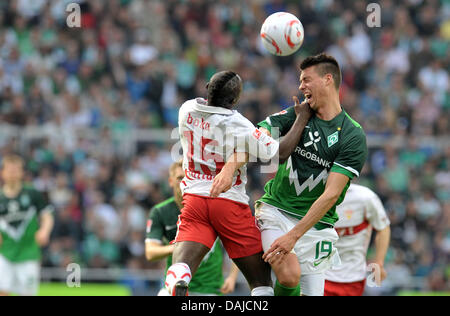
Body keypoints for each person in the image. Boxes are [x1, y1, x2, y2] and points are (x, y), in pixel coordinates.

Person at [164, 70, 312, 296]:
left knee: (183, 263)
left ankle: (177, 280)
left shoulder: (186, 110)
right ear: (235, 100)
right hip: (228, 203)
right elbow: (279, 153)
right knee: (261, 281)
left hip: (194, 200)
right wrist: (301, 118)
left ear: (207, 88)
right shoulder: (238, 124)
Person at [254, 53, 368, 296]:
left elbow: (331, 194)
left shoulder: (352, 135)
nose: (300, 86)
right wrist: (298, 121)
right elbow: (258, 135)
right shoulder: (296, 115)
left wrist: (294, 236)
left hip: (317, 226)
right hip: (277, 211)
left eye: (306, 80)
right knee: (288, 274)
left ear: (328, 80)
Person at [145, 160, 240, 296]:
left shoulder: (213, 207)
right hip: (174, 288)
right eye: (179, 178)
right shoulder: (161, 211)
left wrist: (232, 277)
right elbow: (150, 252)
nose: (184, 182)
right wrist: (181, 246)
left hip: (209, 288)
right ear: (171, 181)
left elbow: (236, 244)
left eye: (188, 177)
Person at [0, 154, 54, 296]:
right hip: (5, 253)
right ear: (2, 173)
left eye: (16, 170)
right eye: (9, 170)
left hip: (28, 254)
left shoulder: (32, 193)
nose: (12, 174)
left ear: (22, 173)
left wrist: (44, 231)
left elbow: (47, 215)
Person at [324, 183, 391, 296]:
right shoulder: (314, 194)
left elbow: (383, 227)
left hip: (353, 276)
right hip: (317, 273)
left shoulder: (365, 197)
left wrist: (379, 262)